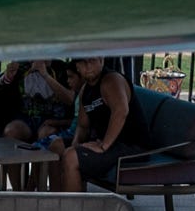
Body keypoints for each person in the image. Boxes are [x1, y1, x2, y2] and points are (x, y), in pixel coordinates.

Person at [48, 54, 136, 192]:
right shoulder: (86, 89)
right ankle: (57, 202)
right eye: (83, 62)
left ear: (101, 60)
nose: (88, 66)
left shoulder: (112, 80)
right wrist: (75, 144)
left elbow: (121, 112)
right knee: (56, 146)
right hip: (103, 141)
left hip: (129, 146)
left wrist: (104, 146)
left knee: (72, 157)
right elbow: (83, 125)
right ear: (77, 66)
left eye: (92, 61)